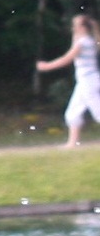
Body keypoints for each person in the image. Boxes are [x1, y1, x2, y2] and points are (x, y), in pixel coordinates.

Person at [37, 14, 100, 147]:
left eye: (75, 25)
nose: (73, 28)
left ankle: (72, 142)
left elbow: (67, 58)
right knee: (73, 112)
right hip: (86, 81)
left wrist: (46, 66)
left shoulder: (83, 42)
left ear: (82, 27)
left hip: (88, 81)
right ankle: (72, 143)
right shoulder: (89, 40)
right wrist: (75, 38)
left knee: (97, 111)